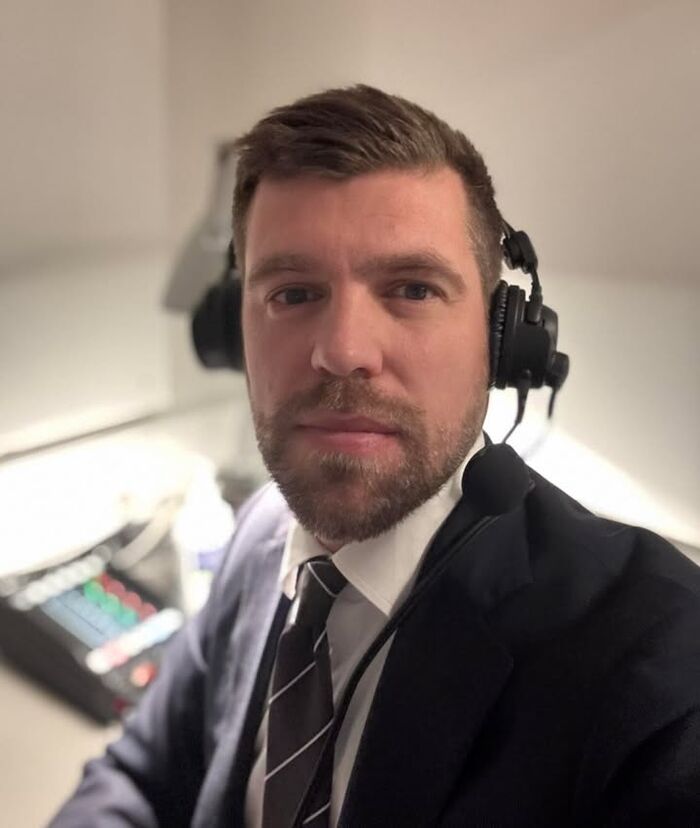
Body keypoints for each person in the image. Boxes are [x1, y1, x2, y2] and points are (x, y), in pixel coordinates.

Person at [51, 85, 700, 827]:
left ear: (500, 340)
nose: (343, 351)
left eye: (413, 289)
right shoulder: (259, 537)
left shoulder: (661, 665)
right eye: (293, 294)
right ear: (239, 333)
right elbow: (138, 777)